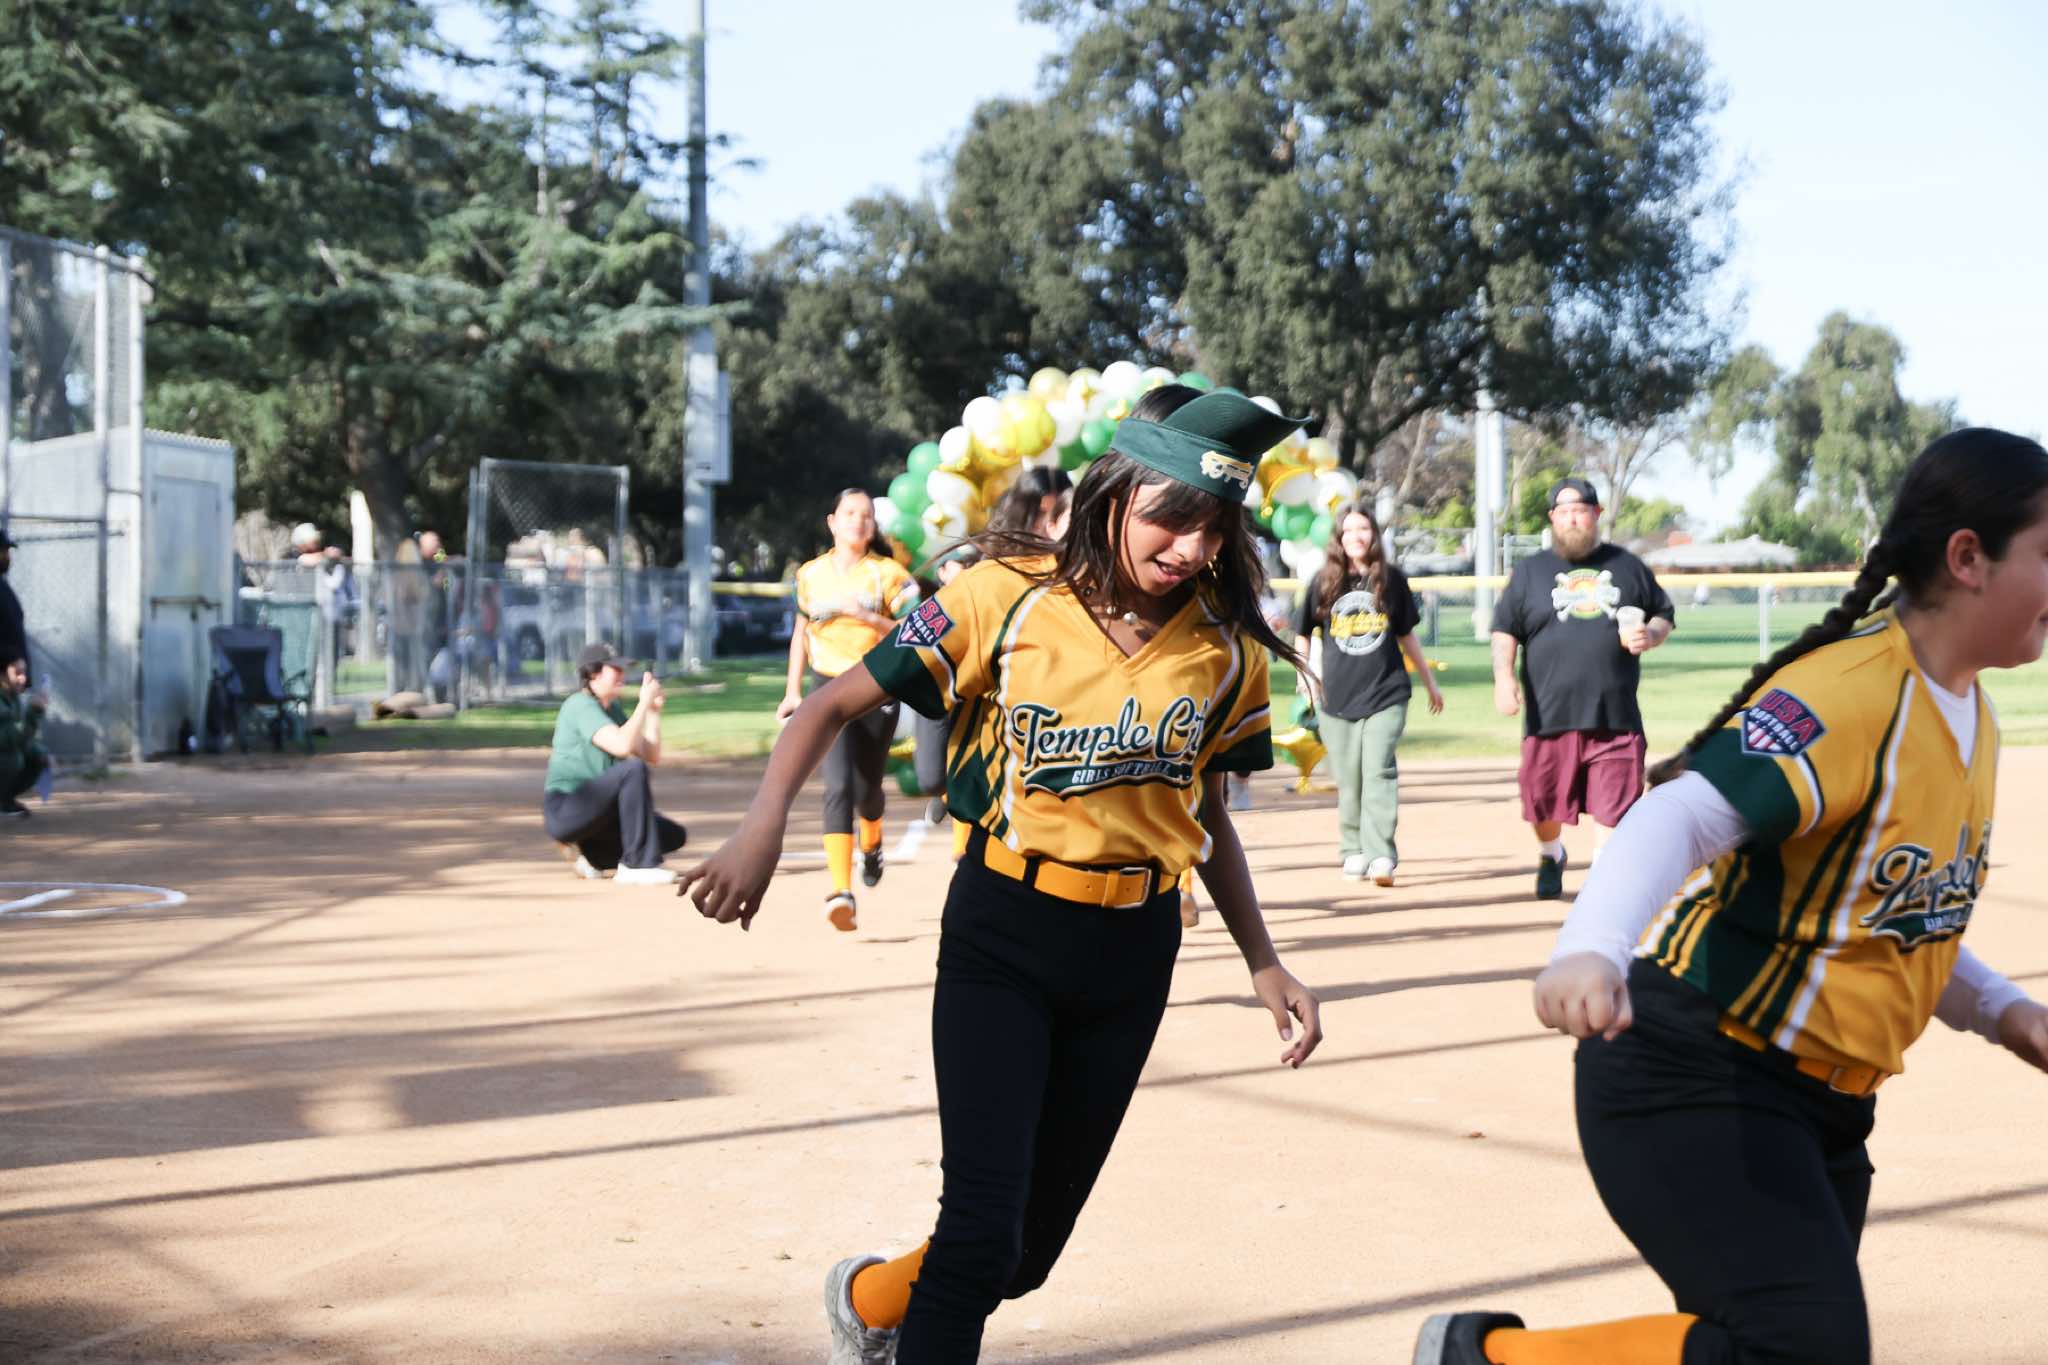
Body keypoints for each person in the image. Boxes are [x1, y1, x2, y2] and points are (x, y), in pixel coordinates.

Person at [680, 384, 1325, 1364]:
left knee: (1020, 1255)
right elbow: (827, 705)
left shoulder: (1225, 646)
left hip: (1132, 956)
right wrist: (761, 826)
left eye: (1214, 530)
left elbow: (1207, 814)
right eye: (1173, 518)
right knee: (982, 1229)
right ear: (1117, 492)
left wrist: (1263, 959)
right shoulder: (1002, 596)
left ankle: (868, 1299)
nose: (1192, 549)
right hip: (1004, 934)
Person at [1415, 428, 2048, 1365]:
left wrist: (2004, 1010)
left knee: (1769, 1348)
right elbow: (1676, 815)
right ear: (1968, 558)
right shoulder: (1851, 693)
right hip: (1697, 1071)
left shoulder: (1970, 715)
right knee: (1802, 1349)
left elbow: (1891, 921)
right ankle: (1489, 1358)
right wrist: (1589, 944)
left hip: (1825, 1110)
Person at [1492, 477, 1675, 899]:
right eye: (1564, 511)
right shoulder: (1530, 571)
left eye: (1581, 510)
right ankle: (1551, 853)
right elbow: (1505, 629)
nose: (1573, 518)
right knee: (1541, 800)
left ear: (1596, 514)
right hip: (1549, 714)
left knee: (1616, 803)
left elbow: (1663, 613)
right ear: (1553, 518)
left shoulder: (1627, 565)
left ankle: (1601, 878)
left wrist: (1651, 634)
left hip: (1615, 713)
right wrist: (1503, 677)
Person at [783, 488, 921, 931]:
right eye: (849, 513)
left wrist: (867, 617)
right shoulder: (810, 574)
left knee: (867, 789)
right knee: (837, 786)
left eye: (866, 515)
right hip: (828, 687)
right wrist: (792, 691)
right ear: (832, 521)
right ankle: (841, 891)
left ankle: (872, 841)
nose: (858, 521)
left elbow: (913, 630)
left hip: (875, 686)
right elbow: (801, 632)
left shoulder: (889, 574)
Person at [1293, 498, 1443, 886]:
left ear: (1374, 535)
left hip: (1386, 692)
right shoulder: (1323, 581)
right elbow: (1303, 633)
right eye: (1349, 530)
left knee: (1378, 769)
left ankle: (1381, 856)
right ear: (1338, 538)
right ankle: (1353, 850)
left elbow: (1406, 635)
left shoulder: (1391, 579)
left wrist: (1429, 682)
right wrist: (1303, 675)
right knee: (1349, 779)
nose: (1356, 536)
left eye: (1363, 528)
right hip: (1337, 696)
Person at [541, 641, 686, 885]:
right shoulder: (579, 705)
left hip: (598, 814)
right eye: (615, 669)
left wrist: (652, 712)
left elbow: (651, 754)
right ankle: (637, 865)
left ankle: (591, 855)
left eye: (622, 669)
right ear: (593, 674)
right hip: (567, 808)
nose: (622, 674)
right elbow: (622, 746)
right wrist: (642, 703)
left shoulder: (611, 709)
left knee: (672, 835)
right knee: (632, 770)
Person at [0, 654, 48, 820]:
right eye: (17, 673)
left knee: (38, 755)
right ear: (2, 674)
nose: (23, 678)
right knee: (13, 759)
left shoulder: (12, 698)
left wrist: (42, 753)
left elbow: (21, 738)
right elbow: (7, 738)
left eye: (24, 672)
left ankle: (4, 801)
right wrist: (33, 713)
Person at [0, 527, 30, 686]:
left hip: (11, 682)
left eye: (7, 551)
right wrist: (11, 657)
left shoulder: (4, 587)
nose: (7, 557)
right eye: (2, 551)